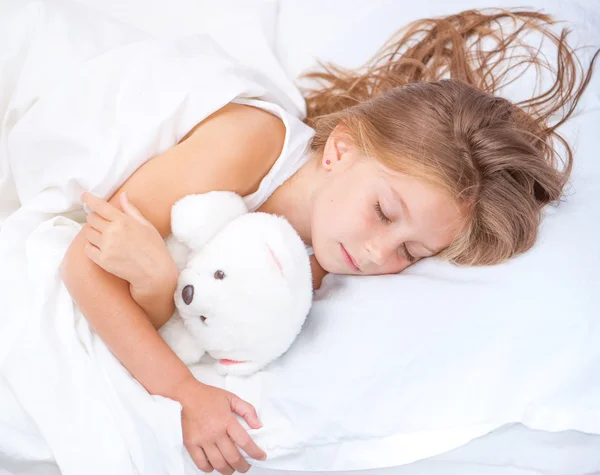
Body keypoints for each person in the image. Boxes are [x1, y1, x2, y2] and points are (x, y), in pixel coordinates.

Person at [60, 8, 598, 475]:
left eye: (411, 253)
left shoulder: (316, 265)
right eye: (384, 212)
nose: (375, 254)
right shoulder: (251, 144)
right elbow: (86, 266)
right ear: (339, 151)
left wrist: (158, 288)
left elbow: (184, 310)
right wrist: (183, 392)